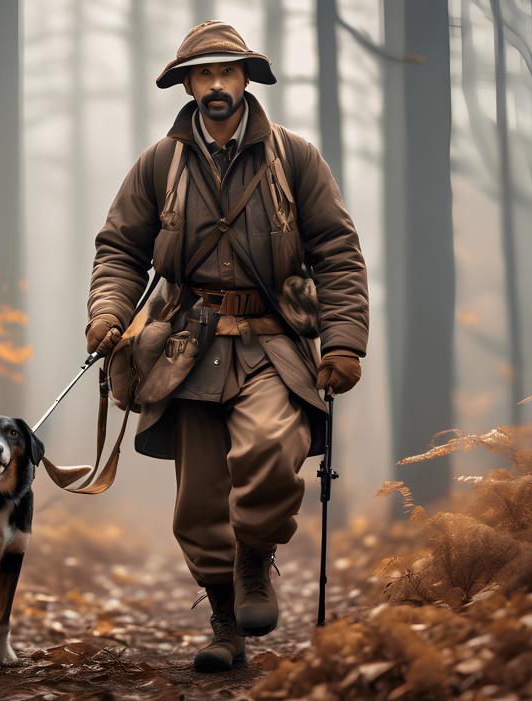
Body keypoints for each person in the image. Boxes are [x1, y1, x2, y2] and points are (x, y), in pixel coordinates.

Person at [85, 21, 369, 672]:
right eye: (203, 73)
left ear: (246, 79)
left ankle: (254, 560)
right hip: (187, 348)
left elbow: (338, 253)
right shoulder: (159, 164)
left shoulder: (295, 158)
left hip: (273, 346)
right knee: (198, 504)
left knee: (273, 450)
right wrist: (108, 313)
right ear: (186, 84)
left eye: (227, 71)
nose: (216, 84)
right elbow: (120, 249)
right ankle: (223, 624)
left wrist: (344, 341)